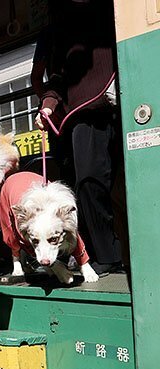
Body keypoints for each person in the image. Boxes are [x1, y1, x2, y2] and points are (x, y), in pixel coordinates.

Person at [34, 0, 125, 275]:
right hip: (80, 116)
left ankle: (110, 254)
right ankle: (101, 255)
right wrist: (48, 104)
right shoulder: (61, 29)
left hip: (109, 109)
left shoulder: (109, 12)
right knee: (85, 184)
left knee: (98, 183)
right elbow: (57, 79)